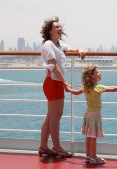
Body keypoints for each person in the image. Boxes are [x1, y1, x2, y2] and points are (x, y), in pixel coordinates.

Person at [39, 16, 86, 158]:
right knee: (56, 116)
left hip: (56, 82)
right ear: (50, 31)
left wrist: (80, 50)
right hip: (53, 82)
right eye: (56, 27)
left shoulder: (59, 44)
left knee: (50, 116)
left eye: (60, 27)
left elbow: (71, 48)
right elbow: (52, 66)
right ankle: (57, 147)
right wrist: (64, 81)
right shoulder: (48, 45)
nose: (60, 28)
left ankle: (43, 146)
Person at [65, 65, 117, 164]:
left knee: (89, 136)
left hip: (88, 113)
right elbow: (114, 89)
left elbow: (76, 93)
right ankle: (94, 157)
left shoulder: (86, 87)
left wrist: (68, 89)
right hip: (95, 114)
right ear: (92, 76)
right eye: (97, 72)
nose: (100, 73)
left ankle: (88, 156)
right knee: (93, 136)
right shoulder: (99, 87)